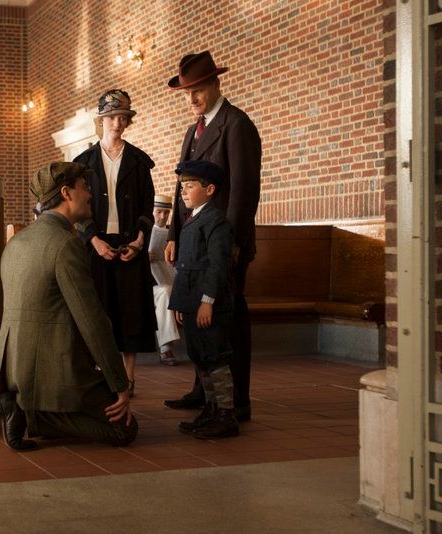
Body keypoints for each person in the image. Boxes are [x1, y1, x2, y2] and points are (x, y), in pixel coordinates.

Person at [0, 162, 137, 451]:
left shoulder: (16, 242)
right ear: (67, 193)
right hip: (51, 371)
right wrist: (120, 384)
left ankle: (22, 406)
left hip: (12, 371)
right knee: (123, 429)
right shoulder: (65, 244)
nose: (90, 194)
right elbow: (92, 321)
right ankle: (33, 416)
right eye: (85, 187)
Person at [163, 50, 262, 421]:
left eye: (198, 90)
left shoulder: (236, 125)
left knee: (227, 319)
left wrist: (232, 242)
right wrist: (174, 233)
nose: (192, 98)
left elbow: (244, 191)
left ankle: (236, 401)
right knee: (199, 319)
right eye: (187, 92)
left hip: (222, 242)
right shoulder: (194, 129)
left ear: (216, 84)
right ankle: (204, 391)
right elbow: (182, 187)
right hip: (194, 241)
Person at [73, 89, 157, 396]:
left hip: (129, 244)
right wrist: (93, 240)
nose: (117, 124)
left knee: (130, 312)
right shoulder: (83, 163)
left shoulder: (139, 161)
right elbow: (76, 209)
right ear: (101, 120)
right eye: (111, 118)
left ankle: (129, 377)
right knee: (98, 310)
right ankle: (103, 374)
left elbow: (147, 207)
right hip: (96, 245)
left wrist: (139, 241)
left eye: (122, 118)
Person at [169, 160, 238, 439]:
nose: (183, 191)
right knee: (200, 357)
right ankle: (211, 409)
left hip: (208, 304)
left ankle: (226, 415)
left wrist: (207, 301)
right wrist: (181, 304)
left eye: (190, 186)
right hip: (192, 303)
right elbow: (186, 266)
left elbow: (218, 266)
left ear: (209, 189)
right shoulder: (193, 219)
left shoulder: (215, 222)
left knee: (215, 357)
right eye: (182, 187)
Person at [148, 194, 179, 366]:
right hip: (142, 286)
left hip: (165, 279)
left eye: (166, 213)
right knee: (165, 293)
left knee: (166, 292)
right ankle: (166, 348)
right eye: (158, 212)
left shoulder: (172, 235)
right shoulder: (141, 232)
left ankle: (166, 348)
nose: (162, 217)